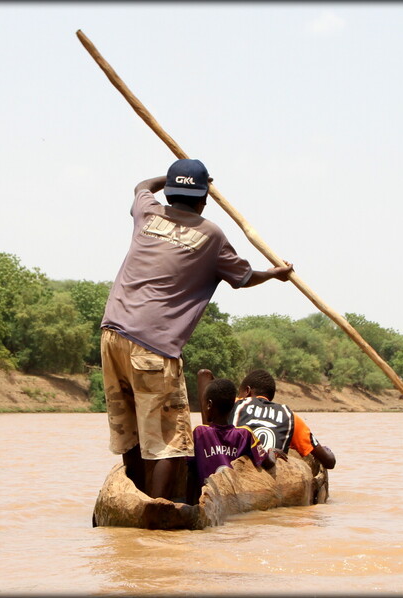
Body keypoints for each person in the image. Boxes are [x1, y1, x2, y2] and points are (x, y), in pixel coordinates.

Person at [99, 158, 293, 500]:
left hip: (111, 335)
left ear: (171, 193)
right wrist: (274, 273)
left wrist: (172, 179)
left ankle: (133, 503)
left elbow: (141, 186)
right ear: (204, 199)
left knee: (132, 434)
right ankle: (158, 510)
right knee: (171, 443)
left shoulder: (149, 213)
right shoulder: (210, 235)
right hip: (153, 346)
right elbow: (244, 278)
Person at [187, 377, 286, 502]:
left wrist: (190, 503)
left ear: (209, 405)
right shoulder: (244, 434)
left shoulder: (199, 433)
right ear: (233, 405)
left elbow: (191, 471)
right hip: (234, 500)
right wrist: (272, 451)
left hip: (207, 500)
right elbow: (268, 462)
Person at [231, 369, 336, 470]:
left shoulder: (234, 404)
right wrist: (327, 450)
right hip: (271, 477)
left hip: (234, 469)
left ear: (247, 391)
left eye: (239, 393)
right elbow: (329, 461)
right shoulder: (290, 416)